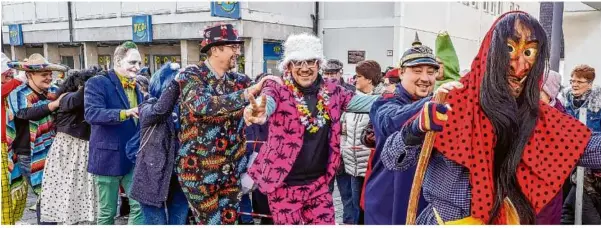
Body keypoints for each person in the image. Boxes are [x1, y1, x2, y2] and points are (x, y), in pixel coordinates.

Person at [380, 11, 601, 225]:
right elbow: (393, 159)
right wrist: (414, 131)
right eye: (509, 48)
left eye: (529, 53)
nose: (519, 66)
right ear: (491, 51)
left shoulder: (537, 117)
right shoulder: (454, 101)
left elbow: (587, 147)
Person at [243, 33, 379, 225]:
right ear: (289, 66)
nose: (304, 68)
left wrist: (404, 100)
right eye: (297, 62)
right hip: (284, 185)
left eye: (310, 61)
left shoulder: (333, 91)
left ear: (318, 64)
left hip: (319, 185)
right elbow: (268, 102)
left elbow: (367, 103)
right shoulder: (278, 87)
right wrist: (259, 110)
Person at [175, 23, 281, 225]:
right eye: (233, 47)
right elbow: (202, 105)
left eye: (237, 47)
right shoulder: (191, 76)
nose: (237, 52)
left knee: (229, 223)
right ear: (215, 49)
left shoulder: (238, 80)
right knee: (211, 223)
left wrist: (269, 86)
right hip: (198, 172)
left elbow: (261, 94)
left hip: (231, 173)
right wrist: (249, 92)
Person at [362, 35, 440, 225]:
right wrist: (435, 100)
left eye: (431, 72)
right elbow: (392, 122)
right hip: (387, 202)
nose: (425, 78)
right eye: (417, 71)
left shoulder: (442, 108)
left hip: (426, 201)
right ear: (402, 72)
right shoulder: (384, 102)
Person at [84, 41, 144, 225]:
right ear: (118, 61)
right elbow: (91, 113)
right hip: (107, 157)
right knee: (107, 212)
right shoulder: (98, 82)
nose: (137, 67)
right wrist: (125, 113)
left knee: (140, 207)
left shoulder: (137, 86)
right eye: (133, 62)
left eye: (140, 63)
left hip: (132, 157)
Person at [6, 53, 68, 225]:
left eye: (50, 74)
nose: (49, 77)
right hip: (28, 153)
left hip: (54, 149)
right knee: (47, 194)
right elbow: (25, 113)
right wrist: (53, 105)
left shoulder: (54, 91)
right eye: (44, 74)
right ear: (29, 75)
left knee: (52, 195)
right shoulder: (18, 94)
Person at [128, 62, 189, 225]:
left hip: (179, 180)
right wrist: (176, 83)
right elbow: (160, 111)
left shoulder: (187, 109)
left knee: (178, 222)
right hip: (151, 180)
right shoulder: (147, 107)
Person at [40, 66, 101, 224]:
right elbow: (74, 100)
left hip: (82, 148)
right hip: (69, 149)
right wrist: (92, 83)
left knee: (81, 191)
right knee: (67, 191)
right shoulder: (68, 97)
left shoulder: (87, 99)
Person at [339, 60, 386, 224]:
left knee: (369, 207)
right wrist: (342, 150)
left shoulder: (383, 100)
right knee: (354, 206)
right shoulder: (351, 100)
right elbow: (343, 130)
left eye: (358, 76)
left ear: (369, 79)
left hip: (371, 165)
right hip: (351, 163)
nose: (354, 79)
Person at [560, 64, 601, 224]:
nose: (574, 84)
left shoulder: (597, 105)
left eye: (579, 81)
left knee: (580, 206)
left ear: (590, 84)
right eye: (572, 81)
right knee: (568, 204)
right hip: (566, 160)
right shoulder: (564, 102)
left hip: (590, 163)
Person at [1, 53, 26, 225]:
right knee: (4, 190)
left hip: (14, 145)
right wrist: (19, 78)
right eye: (5, 72)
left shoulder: (11, 88)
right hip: (2, 146)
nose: (9, 74)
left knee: (17, 188)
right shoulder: (8, 87)